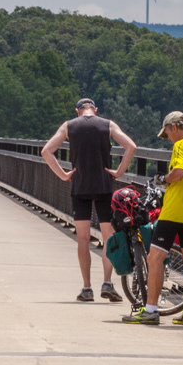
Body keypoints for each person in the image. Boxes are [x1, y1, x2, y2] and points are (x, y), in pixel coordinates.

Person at [41, 97, 138, 301]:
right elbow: (131, 146)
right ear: (95, 109)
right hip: (104, 186)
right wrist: (119, 172)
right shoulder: (108, 124)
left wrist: (63, 175)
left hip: (80, 186)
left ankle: (86, 288)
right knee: (108, 237)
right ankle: (107, 283)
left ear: (78, 111)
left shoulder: (69, 126)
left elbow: (46, 151)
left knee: (83, 239)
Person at [122, 110, 183, 326]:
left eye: (168, 134)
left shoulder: (181, 146)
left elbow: (179, 172)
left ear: (174, 127)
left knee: (154, 258)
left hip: (175, 211)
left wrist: (163, 179)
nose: (168, 138)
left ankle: (150, 310)